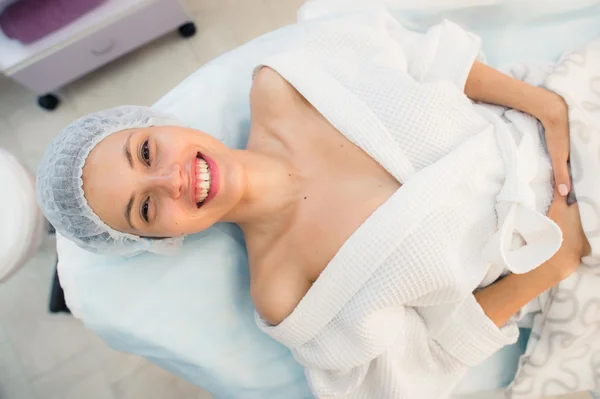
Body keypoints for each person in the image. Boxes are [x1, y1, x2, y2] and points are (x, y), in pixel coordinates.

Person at [36, 4, 591, 399]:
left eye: (147, 151)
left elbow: (427, 59)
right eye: (146, 209)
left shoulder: (287, 82)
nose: (170, 180)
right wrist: (560, 258)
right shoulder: (287, 291)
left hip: (568, 121)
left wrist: (548, 108)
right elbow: (416, 367)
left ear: (157, 124)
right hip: (571, 259)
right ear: (162, 240)